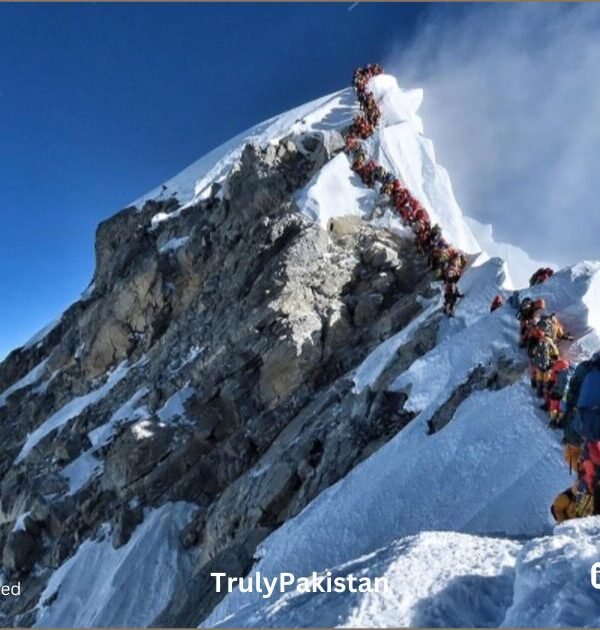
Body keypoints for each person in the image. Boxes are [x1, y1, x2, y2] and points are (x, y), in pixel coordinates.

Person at [531, 332, 560, 398]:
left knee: (539, 377)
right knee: (546, 379)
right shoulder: (551, 343)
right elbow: (556, 353)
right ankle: (546, 395)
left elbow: (533, 352)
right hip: (548, 364)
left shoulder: (540, 342)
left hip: (539, 364)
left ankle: (539, 393)